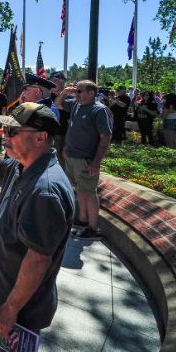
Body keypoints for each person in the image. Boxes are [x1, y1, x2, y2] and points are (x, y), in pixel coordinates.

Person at [0, 104, 74, 352]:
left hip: (20, 308)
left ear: (41, 138)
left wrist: (10, 308)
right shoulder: (21, 165)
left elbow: (38, 258)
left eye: (12, 131)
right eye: (6, 130)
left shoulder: (44, 189)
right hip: (6, 295)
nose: (5, 136)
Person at [55, 80, 113, 242]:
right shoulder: (75, 105)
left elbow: (105, 137)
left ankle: (94, 229)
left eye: (79, 91)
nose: (76, 94)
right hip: (72, 156)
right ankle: (82, 219)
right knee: (80, 189)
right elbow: (57, 103)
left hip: (87, 159)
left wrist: (96, 162)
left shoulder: (99, 110)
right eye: (76, 91)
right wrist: (65, 92)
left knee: (89, 192)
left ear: (91, 93)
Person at [48, 72, 70, 169]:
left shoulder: (69, 98)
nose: (52, 83)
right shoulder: (48, 97)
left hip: (60, 137)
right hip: (48, 136)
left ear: (63, 83)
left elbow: (71, 123)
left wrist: (66, 143)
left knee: (59, 166)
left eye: (55, 81)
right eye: (51, 81)